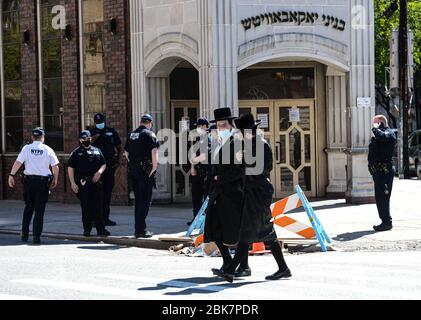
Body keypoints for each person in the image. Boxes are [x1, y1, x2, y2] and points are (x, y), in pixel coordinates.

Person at [213, 113, 291, 283]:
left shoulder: (261, 145)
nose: (240, 134)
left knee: (247, 232)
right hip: (252, 191)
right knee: (265, 233)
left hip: (260, 192)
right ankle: (283, 269)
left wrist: (245, 162)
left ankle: (231, 270)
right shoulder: (250, 145)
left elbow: (263, 168)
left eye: (241, 131)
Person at [204, 107, 245, 277]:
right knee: (214, 229)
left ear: (231, 125)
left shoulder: (237, 143)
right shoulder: (218, 142)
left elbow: (239, 170)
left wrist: (219, 179)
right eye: (218, 126)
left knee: (238, 232)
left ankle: (243, 266)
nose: (221, 128)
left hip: (233, 193)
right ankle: (227, 261)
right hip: (219, 193)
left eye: (223, 125)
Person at [8, 127, 59, 244]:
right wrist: (55, 179)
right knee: (39, 211)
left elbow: (18, 162)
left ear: (32, 137)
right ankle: (36, 237)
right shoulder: (48, 149)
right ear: (43, 138)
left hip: (29, 183)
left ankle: (24, 234)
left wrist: (11, 175)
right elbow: (55, 166)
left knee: (28, 208)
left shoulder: (26, 148)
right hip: (42, 183)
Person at [68, 130, 110, 237]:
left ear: (90, 139)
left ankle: (101, 229)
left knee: (98, 206)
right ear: (80, 140)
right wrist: (73, 183)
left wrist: (100, 172)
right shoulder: (76, 152)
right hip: (83, 182)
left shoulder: (97, 151)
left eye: (87, 139)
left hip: (96, 182)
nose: (85, 141)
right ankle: (87, 229)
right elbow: (70, 168)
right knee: (86, 207)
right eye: (83, 139)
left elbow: (103, 164)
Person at [125, 114, 159, 238]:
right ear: (149, 123)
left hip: (134, 170)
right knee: (144, 201)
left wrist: (134, 164)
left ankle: (138, 228)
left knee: (138, 200)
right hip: (145, 171)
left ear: (141, 122)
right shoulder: (150, 134)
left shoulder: (132, 134)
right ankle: (140, 230)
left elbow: (126, 153)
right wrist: (154, 167)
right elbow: (154, 151)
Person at [89, 113, 123, 226]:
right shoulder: (91, 132)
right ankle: (95, 220)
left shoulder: (111, 131)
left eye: (101, 122)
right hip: (95, 168)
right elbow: (83, 145)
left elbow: (119, 146)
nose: (99, 124)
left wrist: (118, 160)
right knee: (96, 194)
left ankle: (105, 218)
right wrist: (93, 139)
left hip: (109, 166)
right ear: (95, 123)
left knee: (107, 194)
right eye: (97, 123)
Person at [368, 115, 396, 232]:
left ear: (380, 123)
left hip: (384, 172)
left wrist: (375, 129)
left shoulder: (389, 133)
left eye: (375, 123)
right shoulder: (380, 135)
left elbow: (383, 137)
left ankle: (386, 222)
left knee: (383, 197)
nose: (373, 126)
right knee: (380, 198)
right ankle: (385, 221)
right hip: (379, 172)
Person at [188, 117, 210, 226]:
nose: (196, 128)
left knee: (206, 198)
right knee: (196, 197)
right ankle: (195, 219)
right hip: (197, 172)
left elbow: (205, 156)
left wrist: (194, 161)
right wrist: (192, 166)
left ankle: (205, 221)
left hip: (205, 173)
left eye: (198, 126)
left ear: (204, 126)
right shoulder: (199, 138)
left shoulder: (209, 138)